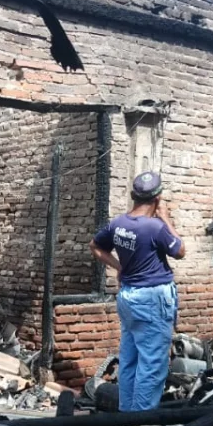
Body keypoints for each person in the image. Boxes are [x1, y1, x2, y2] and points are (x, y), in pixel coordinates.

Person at [89, 171, 186, 411]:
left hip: (129, 297)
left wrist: (119, 267)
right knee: (152, 365)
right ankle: (140, 425)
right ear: (158, 198)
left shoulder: (118, 223)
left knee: (130, 360)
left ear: (134, 196)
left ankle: (126, 416)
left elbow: (96, 246)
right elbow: (181, 251)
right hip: (152, 298)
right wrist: (166, 219)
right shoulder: (155, 227)